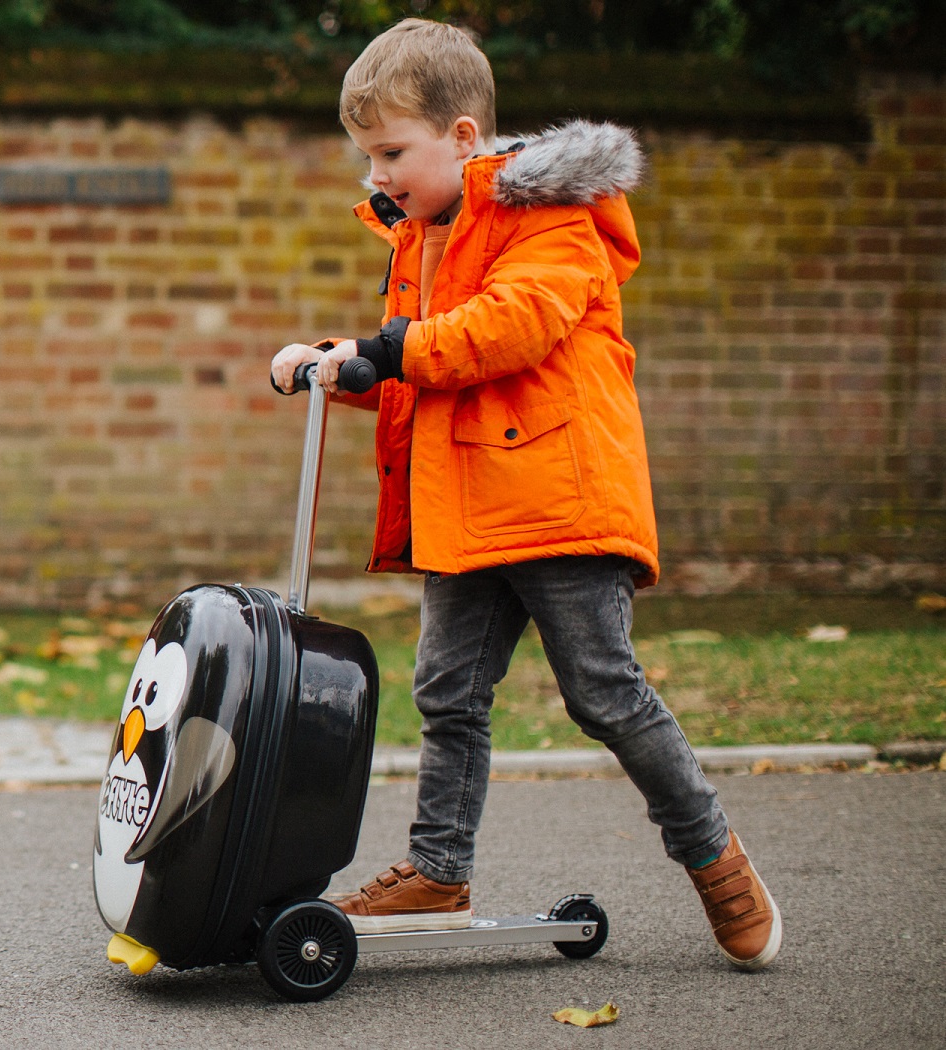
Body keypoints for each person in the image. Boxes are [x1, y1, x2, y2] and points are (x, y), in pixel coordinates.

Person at [270, 17, 781, 971]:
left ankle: (711, 854)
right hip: (468, 502)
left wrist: (382, 354)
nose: (377, 174)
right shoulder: (419, 234)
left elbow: (506, 328)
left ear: (463, 137)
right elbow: (422, 359)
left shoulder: (551, 214)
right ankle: (437, 867)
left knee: (602, 692)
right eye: (367, 155)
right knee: (447, 690)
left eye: (391, 151)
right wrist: (346, 366)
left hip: (558, 496)